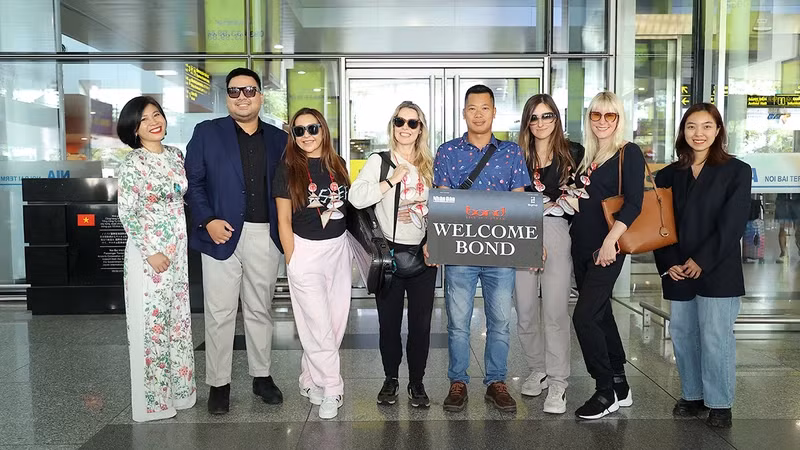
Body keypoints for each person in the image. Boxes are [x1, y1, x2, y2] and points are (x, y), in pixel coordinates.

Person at [185, 67, 287, 414]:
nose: (242, 97)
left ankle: (261, 376)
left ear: (260, 95)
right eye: (234, 91)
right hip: (219, 234)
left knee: (260, 309)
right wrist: (208, 220)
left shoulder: (279, 139)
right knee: (219, 312)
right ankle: (219, 383)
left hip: (264, 235)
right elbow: (193, 184)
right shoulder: (206, 133)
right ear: (226, 96)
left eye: (249, 90)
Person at [433, 84, 530, 413]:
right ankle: (458, 381)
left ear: (493, 112)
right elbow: (443, 200)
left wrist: (532, 241)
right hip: (460, 252)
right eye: (472, 108)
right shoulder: (447, 152)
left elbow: (520, 199)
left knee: (501, 320)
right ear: (464, 113)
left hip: (501, 252)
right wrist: (437, 242)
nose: (478, 113)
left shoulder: (511, 152)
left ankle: (496, 382)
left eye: (484, 107)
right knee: (458, 322)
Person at [654, 103, 751, 429]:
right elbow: (659, 226)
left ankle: (720, 403)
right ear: (683, 131)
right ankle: (692, 395)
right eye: (692, 126)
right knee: (682, 334)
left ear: (718, 130)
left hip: (718, 268)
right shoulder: (668, 175)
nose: (699, 133)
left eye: (707, 126)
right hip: (679, 268)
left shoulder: (737, 171)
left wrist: (702, 260)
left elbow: (732, 224)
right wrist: (671, 264)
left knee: (715, 336)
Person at [350, 101, 437, 408]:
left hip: (424, 255)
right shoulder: (380, 161)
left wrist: (434, 241)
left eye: (412, 123)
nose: (405, 128)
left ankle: (417, 382)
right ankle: (390, 379)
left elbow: (441, 208)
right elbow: (356, 197)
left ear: (420, 129)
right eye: (400, 121)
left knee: (421, 325)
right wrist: (389, 182)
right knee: (388, 323)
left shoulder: (431, 164)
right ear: (393, 125)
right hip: (389, 255)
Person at [117, 96, 196, 422]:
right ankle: (154, 403)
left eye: (157, 114)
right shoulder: (132, 163)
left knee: (178, 324)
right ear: (134, 130)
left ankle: (181, 393)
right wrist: (151, 252)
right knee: (151, 327)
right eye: (144, 119)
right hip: (148, 256)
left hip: (177, 253)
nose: (154, 122)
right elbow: (127, 212)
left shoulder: (176, 156)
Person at [273, 108, 352, 419]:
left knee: (333, 324)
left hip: (338, 251)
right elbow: (282, 220)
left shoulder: (339, 165)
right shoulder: (286, 170)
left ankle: (310, 378)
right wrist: (292, 258)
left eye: (312, 128)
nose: (306, 135)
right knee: (318, 326)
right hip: (305, 251)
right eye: (299, 130)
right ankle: (333, 387)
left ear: (323, 130)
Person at [570, 91, 644, 420]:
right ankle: (620, 383)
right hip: (581, 246)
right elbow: (584, 201)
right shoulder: (588, 155)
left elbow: (634, 203)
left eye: (609, 116)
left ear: (619, 119)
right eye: (596, 115)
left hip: (607, 248)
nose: (602, 122)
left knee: (583, 317)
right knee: (600, 315)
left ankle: (604, 391)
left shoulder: (628, 152)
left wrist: (611, 241)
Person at [514, 94, 584, 414]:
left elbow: (576, 199)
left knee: (554, 310)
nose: (541, 123)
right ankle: (537, 368)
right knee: (526, 309)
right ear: (527, 122)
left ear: (557, 118)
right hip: (521, 232)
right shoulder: (516, 155)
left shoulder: (573, 153)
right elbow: (509, 198)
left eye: (547, 116)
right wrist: (547, 203)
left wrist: (553, 204)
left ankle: (558, 382)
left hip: (557, 232)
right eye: (535, 117)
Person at [775, 193, 800, 263]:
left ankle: (785, 253)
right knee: (783, 227)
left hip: (797, 198)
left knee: (798, 227)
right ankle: (783, 253)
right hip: (783, 199)